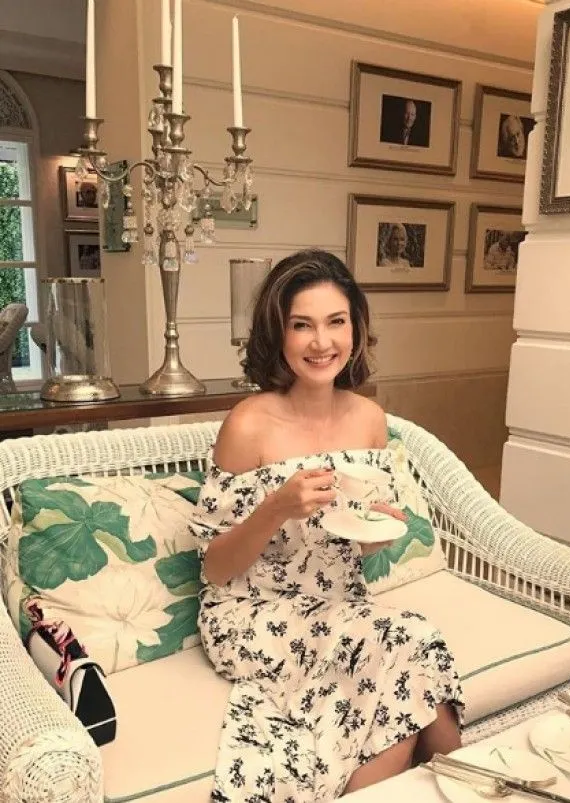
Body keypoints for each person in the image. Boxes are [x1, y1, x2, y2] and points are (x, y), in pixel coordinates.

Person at [190, 250, 463, 801]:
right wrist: (276, 507)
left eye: (336, 322)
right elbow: (215, 569)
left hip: (340, 605)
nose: (321, 342)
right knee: (411, 641)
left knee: (409, 657)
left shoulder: (369, 419)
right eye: (302, 325)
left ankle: (465, 786)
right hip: (250, 614)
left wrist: (379, 532)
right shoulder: (248, 424)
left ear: (356, 329)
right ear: (279, 334)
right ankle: (476, 783)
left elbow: (356, 547)